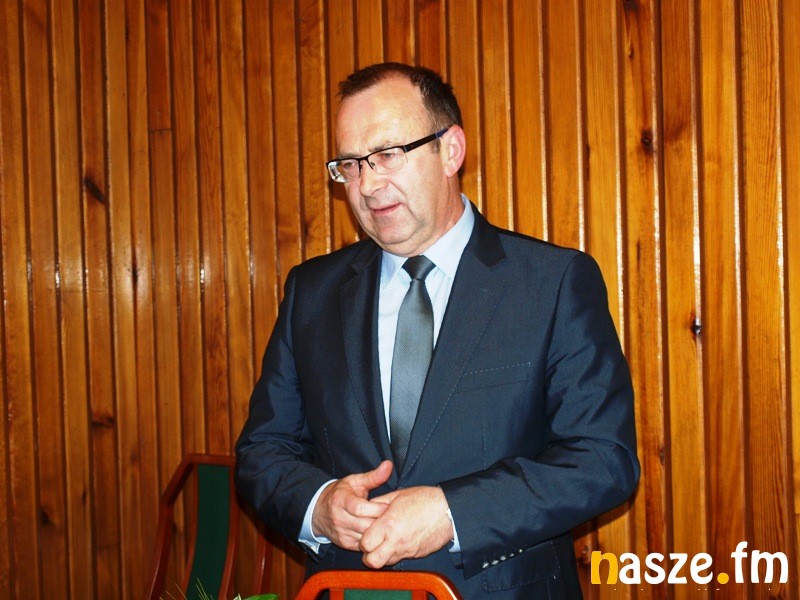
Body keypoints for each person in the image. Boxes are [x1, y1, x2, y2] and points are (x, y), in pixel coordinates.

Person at [235, 62, 639, 599]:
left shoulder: (552, 283)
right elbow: (262, 452)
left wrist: (453, 513)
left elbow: (602, 460)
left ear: (451, 151)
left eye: (387, 154)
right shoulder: (312, 292)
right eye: (350, 165)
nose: (367, 185)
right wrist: (320, 505)